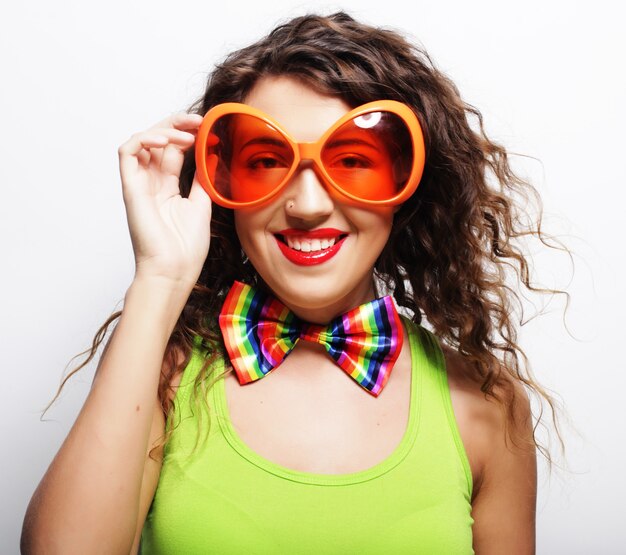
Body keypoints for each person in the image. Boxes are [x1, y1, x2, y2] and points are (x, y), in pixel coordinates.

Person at [21, 12, 560, 554]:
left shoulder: (485, 405)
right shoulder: (165, 376)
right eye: (266, 162)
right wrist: (161, 274)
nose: (306, 205)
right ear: (221, 180)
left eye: (352, 161)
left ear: (406, 185)